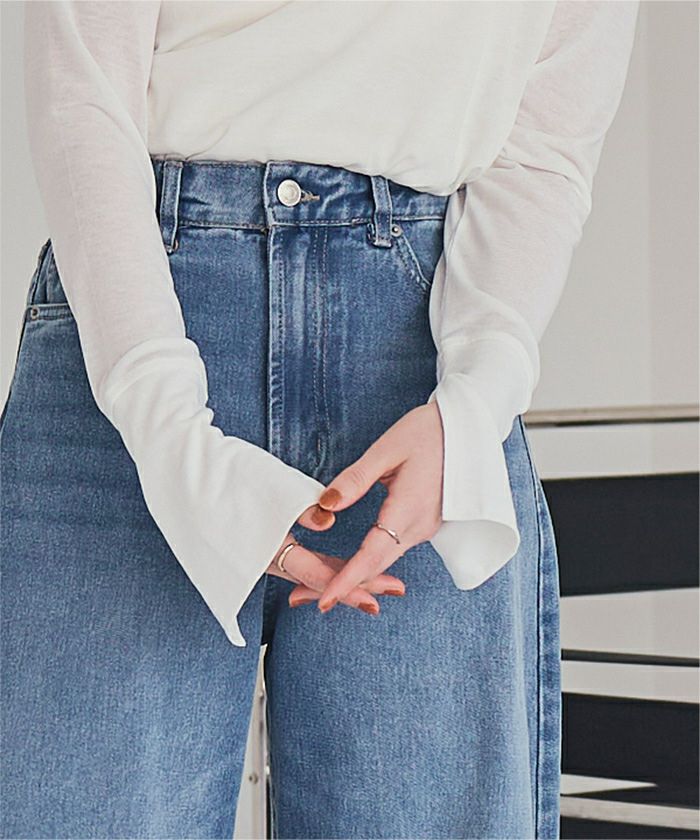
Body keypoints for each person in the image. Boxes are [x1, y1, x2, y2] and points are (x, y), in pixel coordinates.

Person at [1, 1, 639, 837]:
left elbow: (543, 150)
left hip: (423, 373)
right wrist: (166, 428)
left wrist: (472, 405)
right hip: (134, 321)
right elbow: (84, 97)